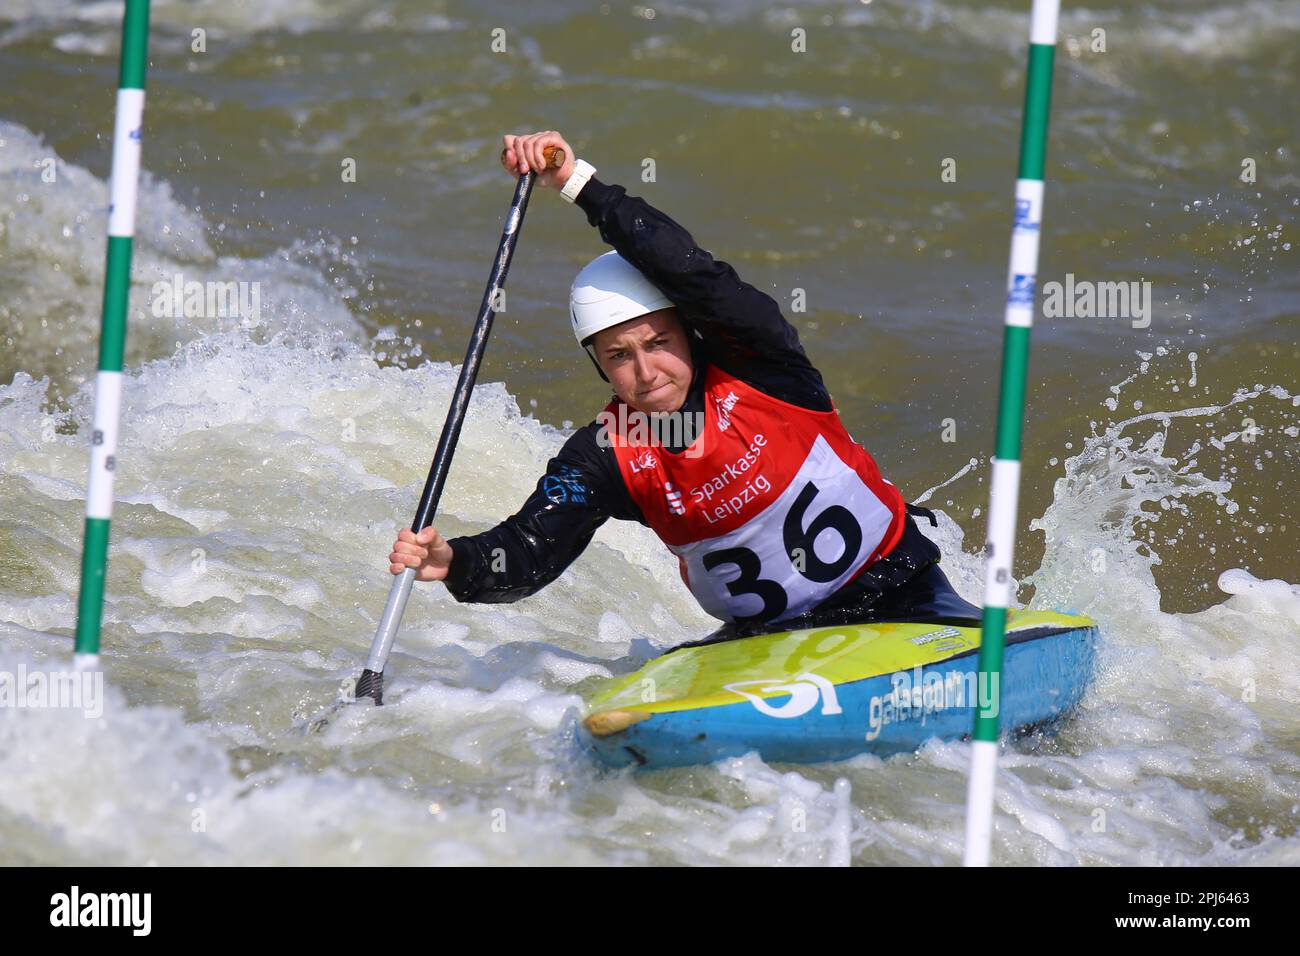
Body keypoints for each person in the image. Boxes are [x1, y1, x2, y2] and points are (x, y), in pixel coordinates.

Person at [389, 130, 979, 642]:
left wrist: (578, 183)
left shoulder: (762, 364)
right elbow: (527, 552)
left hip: (900, 590)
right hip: (763, 639)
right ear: (599, 366)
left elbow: (691, 269)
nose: (645, 373)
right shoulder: (607, 456)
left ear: (689, 333)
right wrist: (454, 560)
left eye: (659, 343)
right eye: (619, 357)